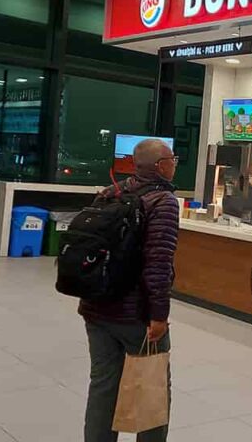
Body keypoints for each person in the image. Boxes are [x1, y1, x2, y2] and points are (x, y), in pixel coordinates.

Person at [80, 138, 180, 442]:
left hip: (96, 307)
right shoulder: (163, 202)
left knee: (103, 386)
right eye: (172, 159)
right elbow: (158, 264)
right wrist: (159, 315)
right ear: (161, 166)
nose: (175, 163)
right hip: (135, 315)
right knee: (151, 388)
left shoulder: (111, 192)